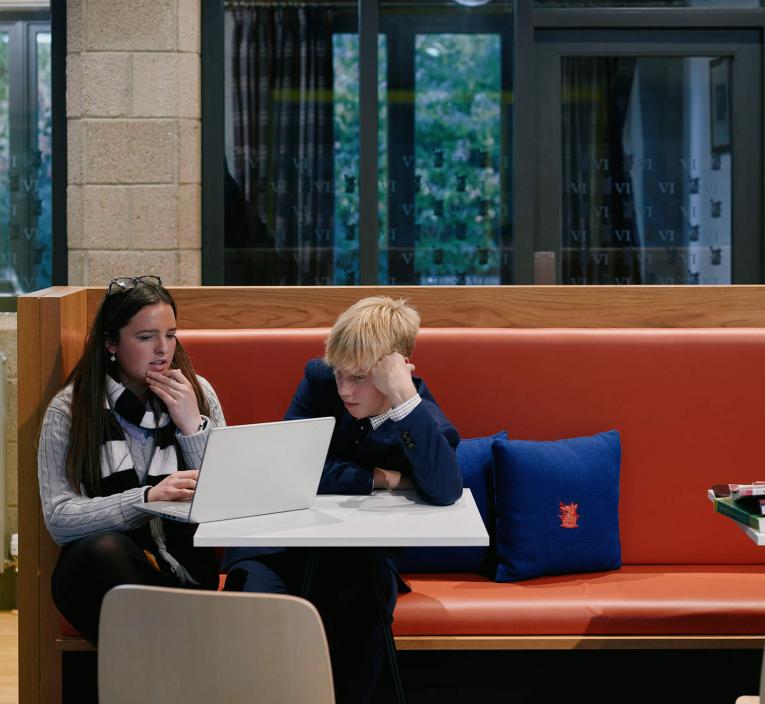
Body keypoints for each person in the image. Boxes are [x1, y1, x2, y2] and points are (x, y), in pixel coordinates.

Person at [222, 295, 462, 702]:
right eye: (340, 374)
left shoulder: (422, 419)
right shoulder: (318, 380)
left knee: (362, 613)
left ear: (395, 370)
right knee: (254, 614)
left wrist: (404, 398)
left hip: (360, 557)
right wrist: (380, 478)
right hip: (278, 546)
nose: (344, 389)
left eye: (359, 376)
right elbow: (289, 465)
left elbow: (444, 490)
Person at [39, 275, 226, 643]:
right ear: (111, 343)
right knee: (105, 552)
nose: (163, 349)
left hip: (185, 564)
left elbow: (225, 500)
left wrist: (192, 427)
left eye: (170, 335)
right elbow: (59, 518)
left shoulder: (197, 394)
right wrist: (146, 500)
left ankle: (160, 675)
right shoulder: (71, 410)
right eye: (146, 338)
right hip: (103, 572)